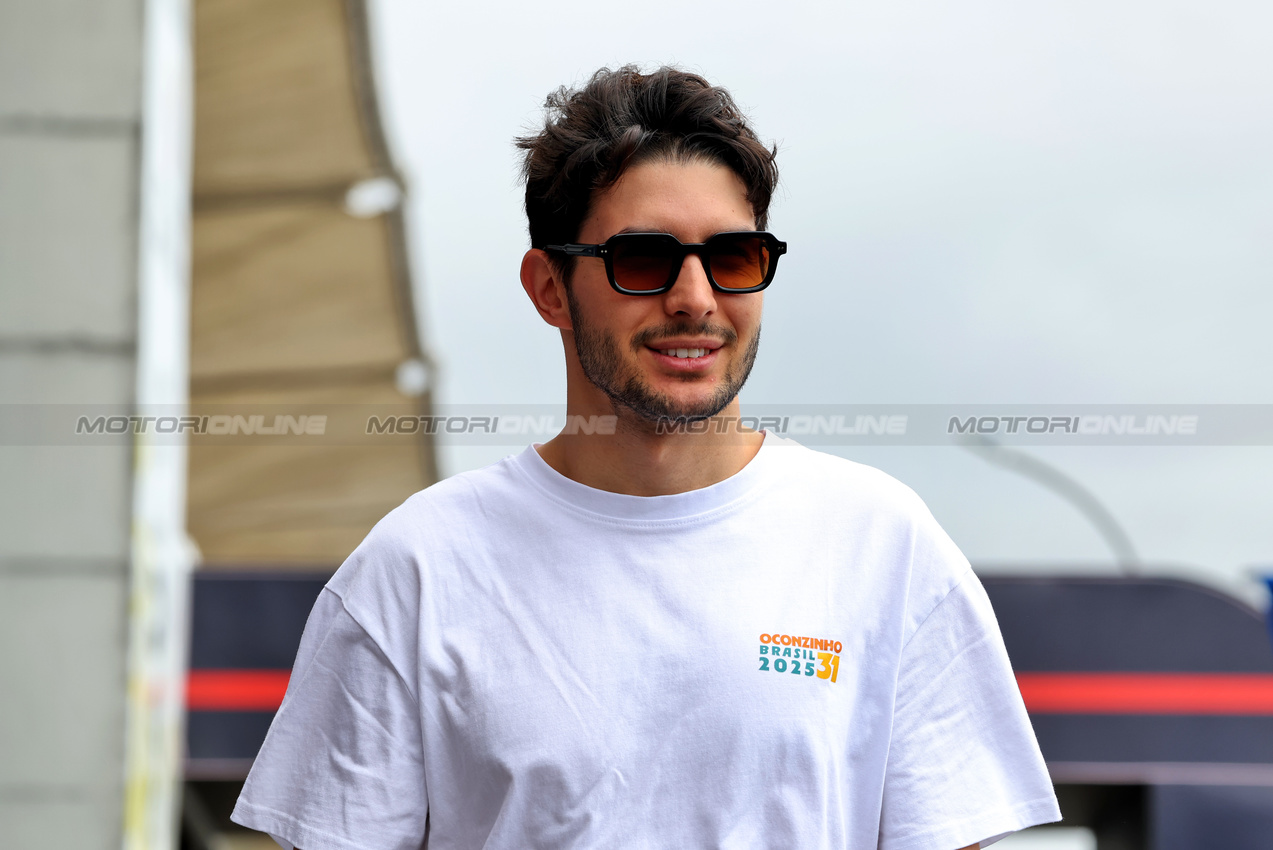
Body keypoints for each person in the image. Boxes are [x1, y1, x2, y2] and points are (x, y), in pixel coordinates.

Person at [232, 65, 1061, 850]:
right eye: (642, 260)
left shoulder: (884, 546)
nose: (695, 298)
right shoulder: (418, 569)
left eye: (732, 257)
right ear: (549, 288)